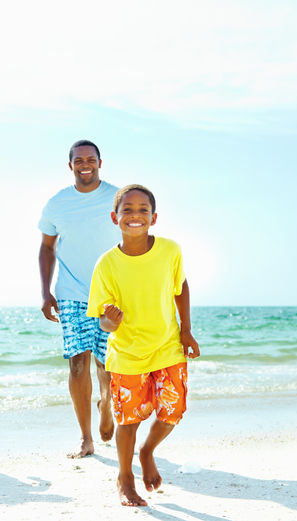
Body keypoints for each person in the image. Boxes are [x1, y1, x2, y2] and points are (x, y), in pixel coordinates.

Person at [87, 184, 201, 507]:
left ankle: (147, 450)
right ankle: (124, 477)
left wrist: (187, 331)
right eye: (127, 210)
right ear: (115, 217)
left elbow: (180, 287)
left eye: (142, 210)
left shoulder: (170, 251)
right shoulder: (106, 265)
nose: (135, 215)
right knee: (129, 420)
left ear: (153, 217)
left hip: (167, 346)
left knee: (173, 410)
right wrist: (112, 320)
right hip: (127, 354)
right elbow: (103, 323)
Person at [38, 139, 122, 458]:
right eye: (78, 160)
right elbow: (47, 247)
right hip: (71, 292)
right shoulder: (57, 204)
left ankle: (106, 404)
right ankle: (85, 438)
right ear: (70, 165)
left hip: (113, 292)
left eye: (91, 159)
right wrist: (46, 292)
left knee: (108, 362)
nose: (85, 164)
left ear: (101, 162)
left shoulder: (116, 198)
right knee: (77, 364)